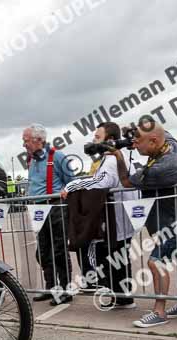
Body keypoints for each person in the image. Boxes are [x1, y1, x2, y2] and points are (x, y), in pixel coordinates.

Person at [113, 119, 177, 328]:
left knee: (155, 261)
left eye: (138, 142)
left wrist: (118, 157)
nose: (135, 145)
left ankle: (159, 312)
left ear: (154, 141)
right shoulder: (170, 141)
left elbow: (125, 181)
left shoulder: (164, 167)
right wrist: (135, 132)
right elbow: (157, 130)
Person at [61, 122, 138, 309]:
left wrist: (71, 186)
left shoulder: (112, 158)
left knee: (114, 257)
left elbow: (103, 181)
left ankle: (123, 298)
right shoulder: (107, 158)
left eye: (97, 137)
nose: (93, 141)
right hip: (117, 217)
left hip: (118, 217)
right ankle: (120, 297)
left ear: (109, 140)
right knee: (114, 256)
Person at [23, 124, 76, 305]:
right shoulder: (31, 160)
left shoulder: (58, 156)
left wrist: (66, 193)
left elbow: (71, 182)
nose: (24, 145)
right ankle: (51, 287)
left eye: (26, 141)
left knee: (59, 250)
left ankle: (65, 289)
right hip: (38, 210)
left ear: (39, 140)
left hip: (56, 208)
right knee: (43, 251)